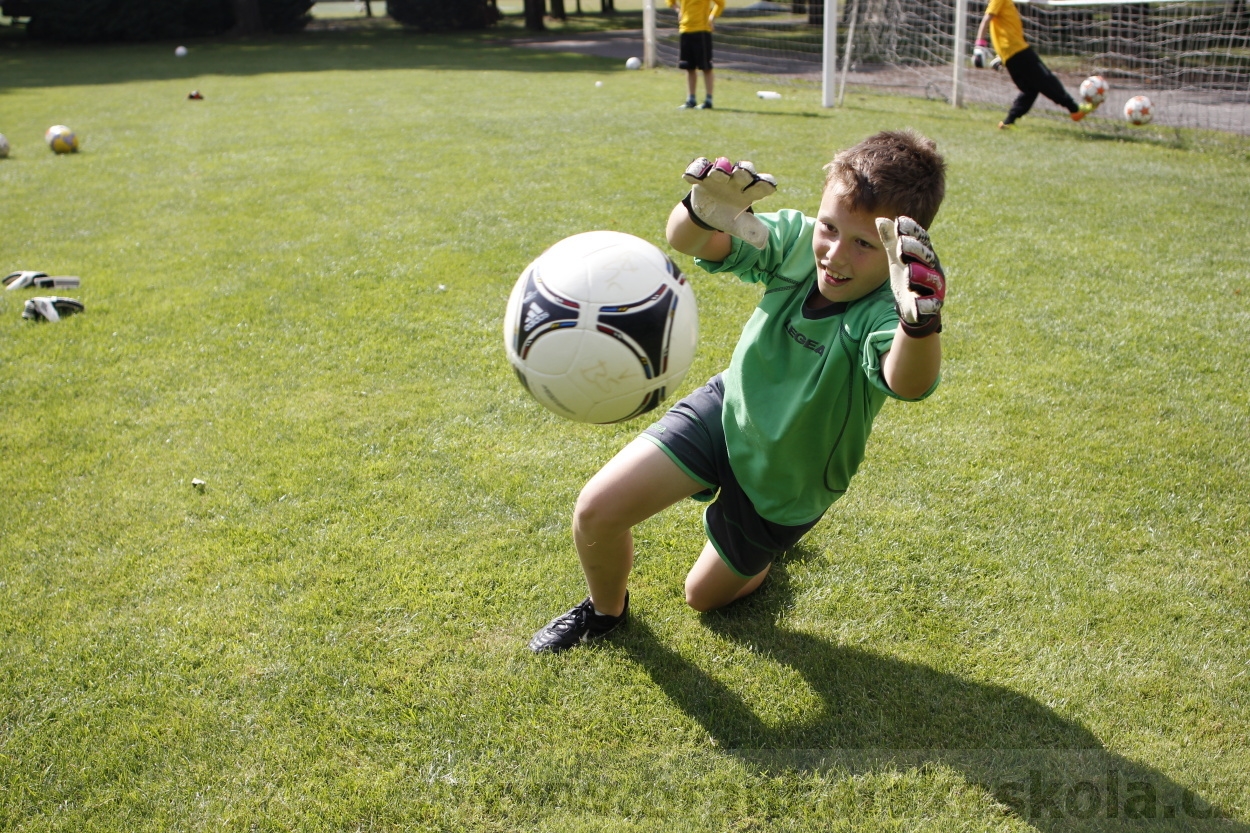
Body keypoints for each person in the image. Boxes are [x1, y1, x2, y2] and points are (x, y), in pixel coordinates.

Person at [528, 130, 949, 653]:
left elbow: (907, 382)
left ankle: (764, 555)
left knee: (701, 597)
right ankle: (604, 612)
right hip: (727, 410)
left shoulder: (891, 306)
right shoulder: (798, 242)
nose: (836, 256)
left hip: (787, 479)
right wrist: (702, 209)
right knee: (596, 509)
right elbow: (691, 240)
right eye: (830, 228)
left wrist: (919, 325)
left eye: (864, 244)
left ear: (897, 246)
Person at [974, 0, 1095, 129]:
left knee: (1029, 90)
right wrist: (979, 46)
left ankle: (1008, 122)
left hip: (1010, 54)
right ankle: (1075, 109)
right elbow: (987, 19)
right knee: (1047, 80)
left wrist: (1001, 56)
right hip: (1018, 51)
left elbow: (1003, 29)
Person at [668, 0, 724, 109]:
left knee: (705, 67)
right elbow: (670, 1)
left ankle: (708, 100)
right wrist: (678, 10)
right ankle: (691, 100)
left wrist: (712, 17)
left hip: (702, 30)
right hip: (685, 29)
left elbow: (720, 3)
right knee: (689, 67)